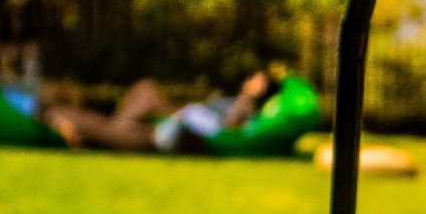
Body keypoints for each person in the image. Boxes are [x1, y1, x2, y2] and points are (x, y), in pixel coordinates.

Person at [46, 69, 284, 155]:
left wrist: (188, 116)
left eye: (258, 80)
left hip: (174, 130)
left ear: (262, 89)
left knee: (146, 94)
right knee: (145, 90)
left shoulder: (246, 105)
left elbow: (227, 129)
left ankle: (104, 130)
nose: (251, 80)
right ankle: (107, 129)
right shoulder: (238, 100)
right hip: (174, 125)